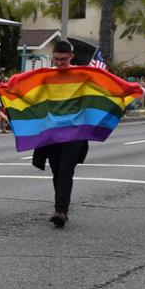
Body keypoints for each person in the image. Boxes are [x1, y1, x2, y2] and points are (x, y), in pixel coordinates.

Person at [32, 40, 89, 228]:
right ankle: (61, 206)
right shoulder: (47, 76)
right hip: (53, 132)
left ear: (71, 57)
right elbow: (29, 89)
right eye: (55, 59)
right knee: (57, 170)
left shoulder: (82, 75)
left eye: (63, 60)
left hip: (75, 132)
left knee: (66, 169)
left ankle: (61, 210)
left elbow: (104, 86)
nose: (58, 63)